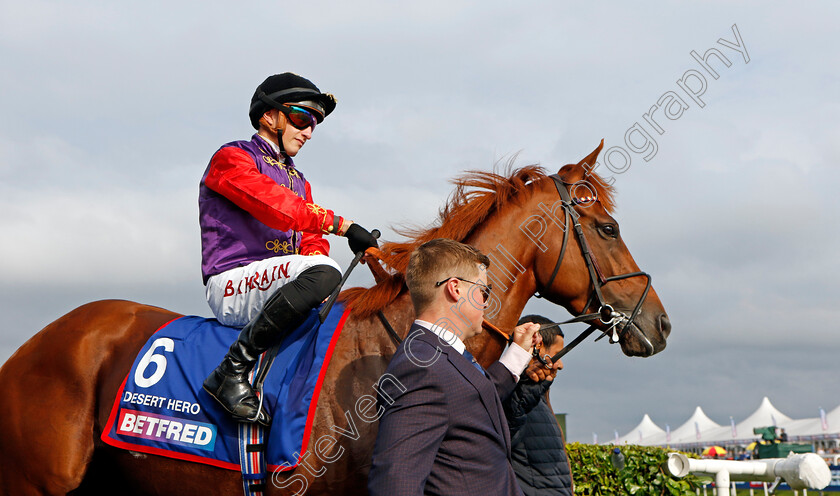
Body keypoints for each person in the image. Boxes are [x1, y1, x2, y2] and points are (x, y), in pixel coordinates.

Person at [199, 73, 378, 425]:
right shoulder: (232, 158)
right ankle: (230, 371)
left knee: (333, 289)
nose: (309, 132)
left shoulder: (300, 182)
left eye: (315, 124)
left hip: (280, 284)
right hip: (233, 283)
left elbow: (311, 244)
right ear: (270, 116)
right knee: (325, 273)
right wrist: (342, 224)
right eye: (302, 118)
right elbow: (277, 206)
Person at [368, 238, 549, 496]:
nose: (486, 303)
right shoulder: (420, 369)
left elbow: (473, 399)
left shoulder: (439, 355)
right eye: (484, 292)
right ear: (455, 288)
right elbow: (395, 484)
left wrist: (518, 353)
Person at [505, 315, 573, 496]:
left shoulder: (536, 397)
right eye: (558, 354)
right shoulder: (511, 396)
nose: (560, 365)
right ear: (537, 346)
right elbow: (506, 434)